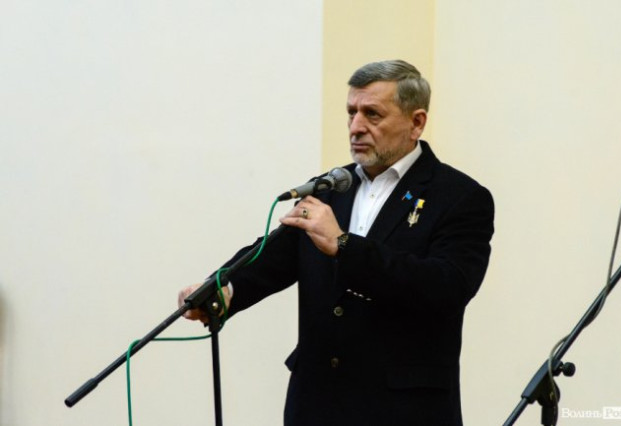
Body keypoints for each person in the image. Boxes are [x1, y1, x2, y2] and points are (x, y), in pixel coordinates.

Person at [179, 59, 495, 426]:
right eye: (351, 113)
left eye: (372, 114)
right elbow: (273, 257)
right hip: (317, 404)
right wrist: (222, 289)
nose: (356, 127)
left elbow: (446, 287)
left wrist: (344, 245)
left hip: (402, 409)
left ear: (416, 122)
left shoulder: (458, 197)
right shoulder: (331, 188)